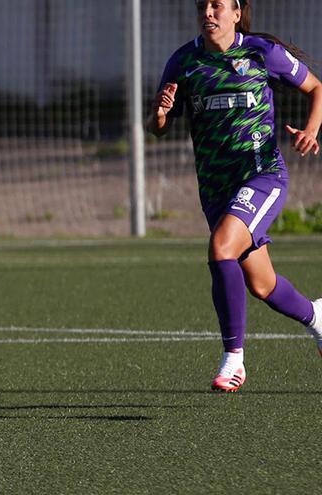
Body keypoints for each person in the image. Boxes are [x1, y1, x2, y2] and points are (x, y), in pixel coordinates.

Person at [149, 0, 322, 392]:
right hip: (215, 187)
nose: (209, 12)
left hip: (262, 176)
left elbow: (316, 87)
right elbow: (158, 126)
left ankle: (234, 360)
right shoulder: (184, 61)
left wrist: (311, 130)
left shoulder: (260, 52)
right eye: (203, 6)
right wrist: (160, 113)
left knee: (221, 248)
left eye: (218, 5)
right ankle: (316, 316)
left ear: (236, 12)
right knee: (262, 285)